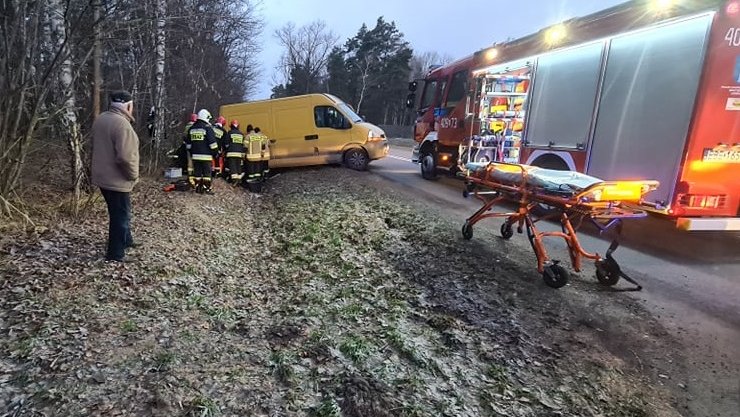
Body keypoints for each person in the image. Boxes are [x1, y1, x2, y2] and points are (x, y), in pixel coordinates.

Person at [91, 90, 140, 262]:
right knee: (121, 215)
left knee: (119, 212)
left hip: (102, 177)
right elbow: (126, 157)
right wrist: (133, 175)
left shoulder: (101, 119)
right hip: (116, 179)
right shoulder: (122, 125)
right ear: (128, 105)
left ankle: (127, 240)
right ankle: (115, 254)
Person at [185, 109, 218, 194]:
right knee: (207, 174)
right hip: (206, 156)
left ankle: (197, 188)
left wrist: (192, 153)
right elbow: (213, 143)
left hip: (195, 156)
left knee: (197, 173)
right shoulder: (207, 128)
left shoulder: (192, 128)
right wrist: (215, 153)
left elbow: (188, 145)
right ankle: (207, 189)